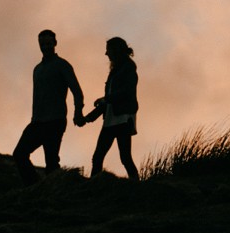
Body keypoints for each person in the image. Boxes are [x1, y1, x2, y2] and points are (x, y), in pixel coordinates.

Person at [12, 29, 84, 185]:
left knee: (51, 163)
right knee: (19, 154)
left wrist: (78, 112)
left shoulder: (62, 65)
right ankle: (35, 186)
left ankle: (54, 194)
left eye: (48, 43)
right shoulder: (37, 69)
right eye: (42, 44)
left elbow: (77, 91)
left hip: (55, 120)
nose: (45, 46)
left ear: (55, 43)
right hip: (37, 121)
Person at [80, 36, 139, 181]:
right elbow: (108, 100)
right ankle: (93, 187)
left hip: (123, 119)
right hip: (111, 120)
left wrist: (105, 99)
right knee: (99, 157)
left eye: (108, 50)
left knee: (124, 158)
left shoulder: (129, 68)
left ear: (116, 51)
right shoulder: (116, 70)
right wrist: (89, 117)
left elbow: (126, 91)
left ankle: (137, 185)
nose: (106, 54)